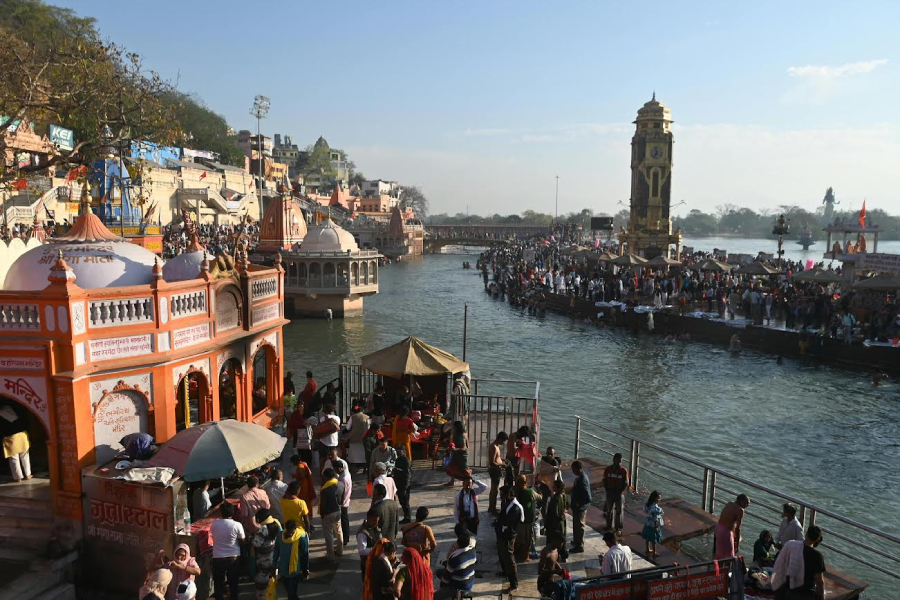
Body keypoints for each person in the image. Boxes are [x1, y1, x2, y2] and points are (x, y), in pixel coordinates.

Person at [772, 525, 826, 600]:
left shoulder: (791, 545)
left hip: (788, 591)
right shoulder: (818, 556)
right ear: (818, 539)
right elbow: (819, 582)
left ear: (806, 534)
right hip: (806, 594)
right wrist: (822, 597)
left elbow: (780, 565)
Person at [211, 502, 244, 600]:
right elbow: (242, 540)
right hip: (233, 558)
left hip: (218, 557)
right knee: (233, 584)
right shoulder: (237, 525)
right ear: (233, 512)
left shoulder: (214, 524)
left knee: (218, 585)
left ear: (221, 512)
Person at [496, 485, 523, 595]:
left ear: (508, 494)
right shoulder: (507, 503)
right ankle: (505, 572)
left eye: (502, 494)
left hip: (508, 537)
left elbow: (508, 523)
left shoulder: (515, 508)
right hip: (502, 536)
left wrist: (501, 526)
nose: (501, 496)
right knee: (502, 555)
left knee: (509, 559)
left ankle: (514, 585)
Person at [273, 520, 308, 600]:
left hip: (295, 571)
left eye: (292, 532)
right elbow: (276, 551)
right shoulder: (280, 536)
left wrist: (305, 569)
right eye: (289, 532)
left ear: (295, 529)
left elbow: (304, 554)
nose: (290, 534)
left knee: (291, 594)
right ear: (286, 529)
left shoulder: (300, 538)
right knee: (290, 592)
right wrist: (274, 565)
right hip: (284, 570)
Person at [439, 525, 477, 599]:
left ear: (458, 544)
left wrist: (442, 587)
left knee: (439, 574)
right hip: (470, 581)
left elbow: (446, 577)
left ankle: (455, 593)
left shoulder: (455, 558)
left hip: (460, 584)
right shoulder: (473, 551)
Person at [251, 509, 282, 600]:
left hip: (263, 560)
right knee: (271, 581)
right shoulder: (276, 524)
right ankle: (271, 596)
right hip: (274, 558)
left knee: (261, 583)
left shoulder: (263, 529)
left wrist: (251, 538)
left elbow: (256, 543)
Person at [319, 467, 345, 561]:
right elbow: (342, 498)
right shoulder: (341, 484)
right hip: (338, 510)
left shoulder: (325, 489)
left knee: (329, 535)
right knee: (338, 531)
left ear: (326, 477)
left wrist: (322, 514)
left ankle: (330, 556)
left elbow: (323, 504)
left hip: (328, 513)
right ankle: (340, 551)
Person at [715, 493, 750, 560]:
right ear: (741, 501)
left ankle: (716, 566)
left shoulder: (729, 503)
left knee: (719, 554)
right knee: (729, 557)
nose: (747, 505)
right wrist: (737, 544)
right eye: (746, 503)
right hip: (726, 532)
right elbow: (738, 528)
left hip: (718, 527)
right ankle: (726, 567)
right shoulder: (740, 510)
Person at [0, 407, 31, 482]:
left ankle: (18, 477)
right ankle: (28, 474)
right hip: (22, 435)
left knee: (14, 458)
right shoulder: (11, 409)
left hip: (11, 438)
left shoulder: (1, 416)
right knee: (25, 456)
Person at [603, 453, 630, 534]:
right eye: (618, 460)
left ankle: (618, 528)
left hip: (619, 493)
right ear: (613, 460)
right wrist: (607, 490)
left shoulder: (624, 471)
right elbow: (604, 480)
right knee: (609, 510)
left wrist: (621, 491)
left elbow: (626, 483)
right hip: (609, 492)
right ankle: (609, 526)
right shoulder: (608, 469)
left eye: (620, 461)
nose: (619, 462)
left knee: (619, 511)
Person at [514, 474, 539, 562]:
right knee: (528, 539)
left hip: (517, 519)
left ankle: (517, 555)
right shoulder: (529, 491)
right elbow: (539, 497)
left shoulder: (513, 491)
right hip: (527, 519)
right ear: (525, 482)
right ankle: (525, 557)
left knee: (518, 539)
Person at [545, 478, 570, 562]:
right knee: (562, 539)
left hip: (555, 523)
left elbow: (554, 513)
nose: (552, 487)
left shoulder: (555, 498)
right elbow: (567, 506)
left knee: (553, 540)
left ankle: (552, 557)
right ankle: (564, 556)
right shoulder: (564, 495)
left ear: (558, 488)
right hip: (562, 522)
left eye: (554, 486)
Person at [570, 460, 592, 553]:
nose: (572, 471)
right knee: (576, 526)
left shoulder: (582, 480)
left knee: (579, 527)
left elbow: (588, 497)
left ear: (579, 469)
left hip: (580, 508)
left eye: (574, 469)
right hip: (577, 507)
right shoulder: (579, 477)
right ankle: (576, 541)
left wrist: (579, 505)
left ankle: (579, 545)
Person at [289, 454, 316, 520]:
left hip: (303, 486)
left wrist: (295, 476)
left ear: (295, 461)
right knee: (308, 501)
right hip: (306, 484)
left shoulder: (300, 466)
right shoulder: (304, 463)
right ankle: (309, 515)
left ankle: (306, 516)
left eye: (293, 462)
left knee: (304, 501)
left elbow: (302, 475)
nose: (293, 464)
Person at [488, 432, 509, 514]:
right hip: (494, 470)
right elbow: (492, 462)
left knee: (494, 490)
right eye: (503, 441)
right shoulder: (493, 447)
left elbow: (497, 458)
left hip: (497, 470)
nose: (503, 442)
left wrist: (503, 460)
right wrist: (502, 464)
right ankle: (492, 508)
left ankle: (491, 507)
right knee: (494, 490)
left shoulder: (496, 446)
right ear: (500, 439)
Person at [345, 405, 371, 472]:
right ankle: (364, 468)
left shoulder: (352, 417)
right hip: (364, 438)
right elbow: (368, 428)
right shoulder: (367, 417)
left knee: (353, 455)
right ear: (362, 410)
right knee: (363, 455)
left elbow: (347, 427)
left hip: (354, 438)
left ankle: (353, 467)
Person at [357, 509, 383, 576]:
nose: (376, 523)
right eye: (374, 521)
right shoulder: (362, 533)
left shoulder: (375, 527)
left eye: (377, 521)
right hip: (368, 563)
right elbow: (362, 551)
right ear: (368, 519)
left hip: (376, 561)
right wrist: (376, 549)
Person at [445, 421, 470, 485]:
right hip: (456, 453)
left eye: (454, 427)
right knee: (453, 467)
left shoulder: (462, 436)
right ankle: (452, 481)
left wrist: (455, 449)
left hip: (462, 455)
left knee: (463, 468)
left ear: (457, 428)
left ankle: (468, 481)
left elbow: (465, 447)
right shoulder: (456, 435)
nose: (453, 428)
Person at [641, 490, 664, 560]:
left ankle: (647, 549)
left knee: (647, 537)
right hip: (653, 524)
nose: (659, 499)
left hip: (648, 522)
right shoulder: (655, 507)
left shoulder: (648, 504)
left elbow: (646, 511)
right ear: (655, 498)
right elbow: (655, 517)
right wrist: (656, 525)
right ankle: (654, 552)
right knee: (654, 539)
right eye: (658, 498)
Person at [393, 447, 413, 524]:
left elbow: (408, 474)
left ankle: (407, 518)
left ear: (404, 451)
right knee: (402, 501)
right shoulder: (398, 459)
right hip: (399, 483)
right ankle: (406, 516)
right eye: (397, 451)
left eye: (400, 451)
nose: (398, 452)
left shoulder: (406, 460)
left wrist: (405, 486)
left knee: (405, 502)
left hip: (404, 484)